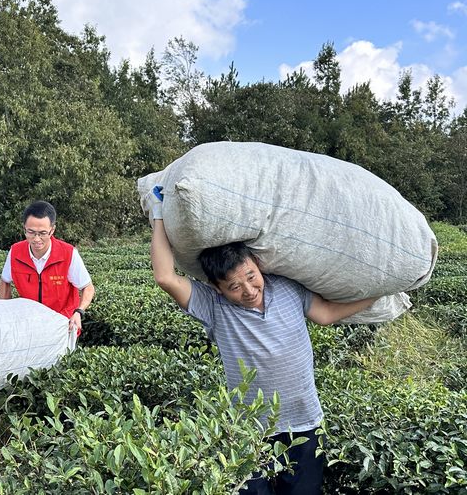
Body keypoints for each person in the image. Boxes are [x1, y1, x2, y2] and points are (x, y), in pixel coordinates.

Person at [144, 186, 377, 495]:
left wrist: (376, 295)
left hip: (304, 423)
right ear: (217, 288)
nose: (249, 290)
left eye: (251, 277)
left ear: (258, 264)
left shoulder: (288, 288)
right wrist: (159, 213)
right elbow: (165, 277)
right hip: (247, 430)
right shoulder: (214, 307)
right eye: (234, 286)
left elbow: (326, 313)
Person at [0, 200, 94, 334]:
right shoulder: (15, 252)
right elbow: (5, 281)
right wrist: (5, 313)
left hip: (63, 325)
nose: (36, 239)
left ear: (52, 230)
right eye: (31, 232)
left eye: (42, 233)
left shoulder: (68, 253)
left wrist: (79, 312)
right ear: (24, 228)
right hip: (29, 325)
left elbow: (87, 287)